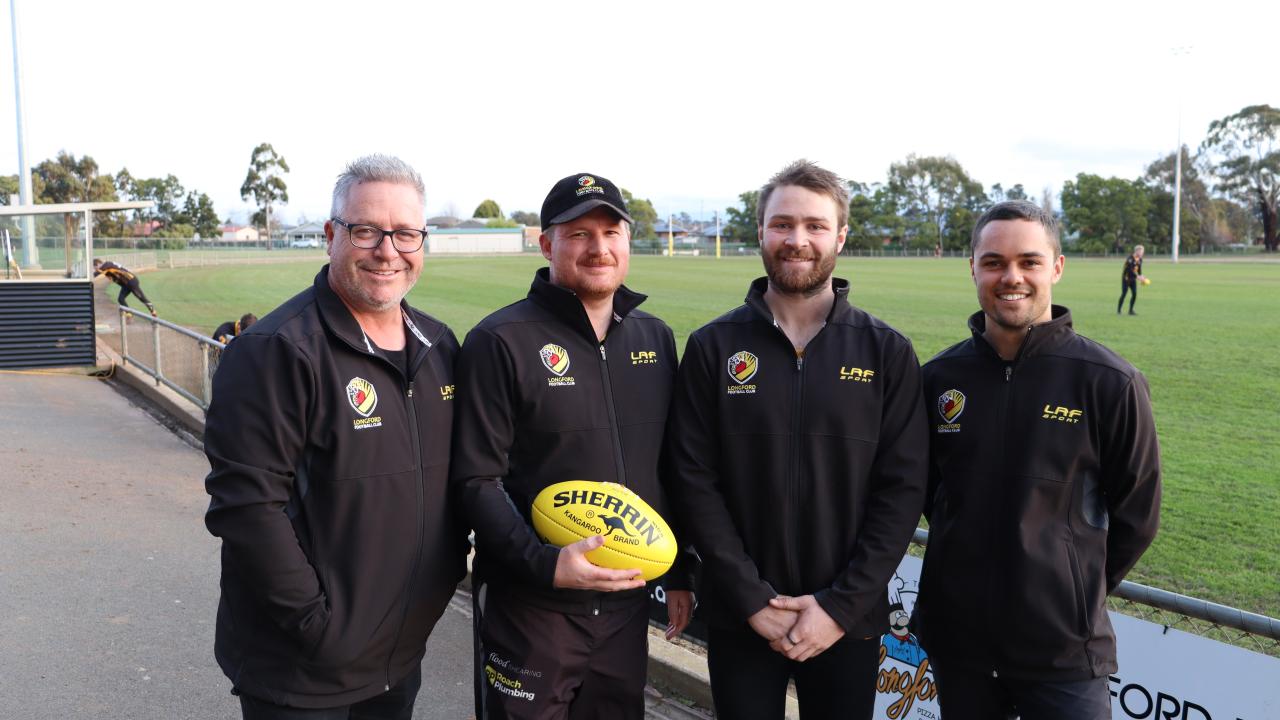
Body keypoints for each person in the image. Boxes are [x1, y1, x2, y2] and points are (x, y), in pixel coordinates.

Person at [203, 155, 467, 719]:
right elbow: (247, 508)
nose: (387, 250)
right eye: (367, 230)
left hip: (398, 655)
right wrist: (321, 628)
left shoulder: (439, 347)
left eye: (405, 233)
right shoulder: (275, 350)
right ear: (331, 236)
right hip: (301, 668)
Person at [666, 159, 928, 720]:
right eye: (782, 224)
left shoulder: (886, 352)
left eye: (814, 225)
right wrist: (751, 599)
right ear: (760, 231)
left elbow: (902, 491)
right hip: (744, 617)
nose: (797, 240)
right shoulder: (713, 346)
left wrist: (840, 606)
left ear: (840, 236)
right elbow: (693, 478)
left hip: (846, 622)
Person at [451, 172, 695, 720]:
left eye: (611, 232)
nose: (599, 248)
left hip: (625, 605)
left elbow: (669, 467)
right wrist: (544, 564)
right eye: (579, 233)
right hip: (531, 607)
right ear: (546, 244)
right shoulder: (500, 340)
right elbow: (475, 479)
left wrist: (679, 572)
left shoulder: (654, 338)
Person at [913, 200, 1162, 720]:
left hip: (1064, 650)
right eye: (994, 262)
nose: (1012, 277)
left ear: (1057, 267)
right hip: (961, 646)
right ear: (973, 268)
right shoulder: (938, 380)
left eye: (1028, 261)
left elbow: (1137, 517)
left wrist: (1068, 588)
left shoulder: (1110, 382)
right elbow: (928, 495)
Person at [1118, 244, 1145, 315]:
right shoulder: (1130, 259)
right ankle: (1119, 310)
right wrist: (1138, 277)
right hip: (1126, 278)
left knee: (1134, 294)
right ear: (1137, 251)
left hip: (1133, 279)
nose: (1142, 253)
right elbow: (1129, 270)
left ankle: (1130, 311)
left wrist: (1141, 276)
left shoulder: (1140, 259)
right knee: (1124, 294)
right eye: (1141, 252)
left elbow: (1139, 269)